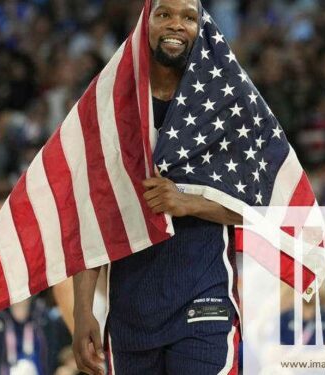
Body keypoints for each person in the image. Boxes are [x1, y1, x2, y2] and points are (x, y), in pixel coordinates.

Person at [72, 1, 242, 374]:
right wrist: (83, 309)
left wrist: (189, 202)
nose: (176, 25)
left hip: (203, 299)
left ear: (203, 28)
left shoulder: (225, 105)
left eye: (189, 17)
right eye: (164, 14)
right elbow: (93, 213)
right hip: (131, 310)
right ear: (144, 25)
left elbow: (256, 205)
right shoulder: (111, 108)